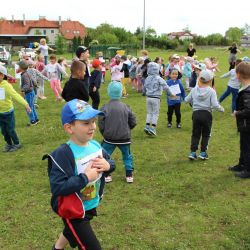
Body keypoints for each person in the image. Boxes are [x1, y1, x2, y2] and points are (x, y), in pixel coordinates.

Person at [44, 99, 115, 250]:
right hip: (74, 211)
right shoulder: (62, 154)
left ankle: (57, 248)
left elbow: (111, 162)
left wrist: (108, 165)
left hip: (90, 203)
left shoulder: (95, 145)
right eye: (85, 123)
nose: (92, 127)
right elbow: (58, 187)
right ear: (69, 128)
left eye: (93, 121)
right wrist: (85, 178)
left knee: (72, 231)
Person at [98, 81, 136, 183]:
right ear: (121, 92)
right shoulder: (126, 107)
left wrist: (104, 133)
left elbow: (101, 124)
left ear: (109, 92)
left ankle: (107, 175)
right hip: (124, 138)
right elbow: (133, 121)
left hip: (109, 138)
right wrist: (128, 129)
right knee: (127, 156)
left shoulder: (104, 107)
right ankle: (129, 175)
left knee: (104, 155)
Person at [185, 69, 224, 160]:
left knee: (195, 134)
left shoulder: (194, 90)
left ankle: (193, 152)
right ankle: (203, 153)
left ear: (199, 78)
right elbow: (215, 104)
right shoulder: (211, 91)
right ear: (210, 80)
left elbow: (186, 100)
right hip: (207, 115)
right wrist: (221, 109)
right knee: (206, 134)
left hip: (196, 114)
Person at [0, 65, 31, 152]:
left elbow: (15, 95)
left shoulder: (6, 86)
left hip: (8, 113)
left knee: (10, 129)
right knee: (3, 131)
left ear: (2, 75)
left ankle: (17, 143)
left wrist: (26, 104)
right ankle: (9, 144)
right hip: (0, 113)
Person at [229, 62, 250, 178]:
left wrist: (238, 113)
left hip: (248, 125)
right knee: (243, 145)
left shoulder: (247, 92)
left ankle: (248, 169)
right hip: (245, 125)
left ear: (238, 75)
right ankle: (242, 164)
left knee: (247, 147)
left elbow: (248, 110)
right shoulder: (246, 88)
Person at [144, 62, 174, 136]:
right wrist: (171, 94)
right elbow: (165, 86)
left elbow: (144, 87)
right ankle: (153, 128)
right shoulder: (159, 78)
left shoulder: (147, 78)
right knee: (155, 113)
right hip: (156, 98)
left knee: (149, 112)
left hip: (148, 98)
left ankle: (147, 126)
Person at [19, 60, 39, 126]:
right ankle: (36, 119)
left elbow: (27, 85)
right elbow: (33, 80)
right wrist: (35, 84)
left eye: (19, 66)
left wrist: (22, 90)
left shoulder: (24, 75)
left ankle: (33, 121)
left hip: (29, 93)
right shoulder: (27, 73)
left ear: (21, 68)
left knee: (28, 107)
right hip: (31, 92)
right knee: (32, 106)